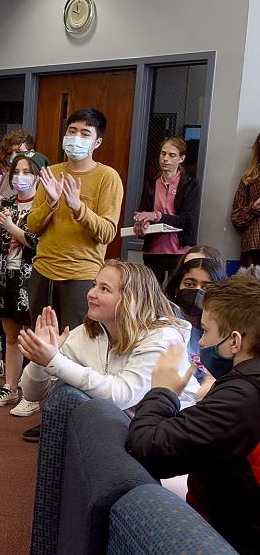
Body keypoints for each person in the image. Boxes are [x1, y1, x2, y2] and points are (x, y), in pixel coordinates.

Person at [125, 271, 260, 554]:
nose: (201, 342)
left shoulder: (242, 398)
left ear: (234, 341)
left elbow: (147, 447)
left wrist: (163, 390)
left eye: (208, 331)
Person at [19, 108, 124, 430]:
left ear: (97, 142)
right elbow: (32, 225)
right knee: (43, 339)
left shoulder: (108, 177)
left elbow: (107, 232)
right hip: (44, 269)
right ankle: (43, 407)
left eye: (85, 133)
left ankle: (70, 416)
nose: (76, 138)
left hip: (82, 276)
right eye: (73, 131)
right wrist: (51, 202)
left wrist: (79, 207)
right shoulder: (52, 171)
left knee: (77, 350)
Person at [18, 261, 199, 415]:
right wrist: (39, 360)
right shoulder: (86, 332)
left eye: (104, 289)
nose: (91, 294)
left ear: (131, 299)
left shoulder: (162, 337)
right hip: (124, 429)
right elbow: (32, 394)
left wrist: (54, 361)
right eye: (94, 285)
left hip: (170, 436)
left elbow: (121, 396)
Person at [0, 155, 41, 406]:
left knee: (32, 335)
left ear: (38, 176)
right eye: (16, 172)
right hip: (5, 275)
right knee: (11, 334)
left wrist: (14, 228)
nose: (20, 177)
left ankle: (33, 392)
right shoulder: (6, 202)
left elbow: (38, 243)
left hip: (32, 277)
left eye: (26, 172)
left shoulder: (42, 206)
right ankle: (10, 386)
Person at [134, 137, 201, 282]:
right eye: (163, 154)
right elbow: (144, 213)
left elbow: (187, 220)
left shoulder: (190, 184)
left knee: (175, 296)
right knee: (152, 295)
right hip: (153, 249)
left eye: (171, 155)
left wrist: (157, 216)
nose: (165, 159)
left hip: (178, 250)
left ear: (181, 159)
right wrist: (142, 224)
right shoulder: (151, 183)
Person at [163, 256, 227, 397]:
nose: (198, 291)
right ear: (176, 288)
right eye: (190, 284)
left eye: (206, 287)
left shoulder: (224, 330)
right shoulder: (165, 324)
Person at [230, 132, 260, 266]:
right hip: (254, 249)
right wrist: (254, 207)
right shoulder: (249, 178)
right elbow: (236, 217)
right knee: (249, 286)